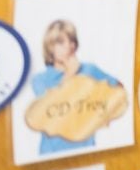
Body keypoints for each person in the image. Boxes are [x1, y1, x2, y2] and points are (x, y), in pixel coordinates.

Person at [29, 20, 122, 154]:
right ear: (50, 47)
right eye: (61, 42)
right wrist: (71, 73)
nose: (69, 46)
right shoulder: (40, 79)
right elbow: (52, 107)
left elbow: (119, 89)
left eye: (72, 41)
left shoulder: (89, 69)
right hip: (51, 152)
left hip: (85, 149)